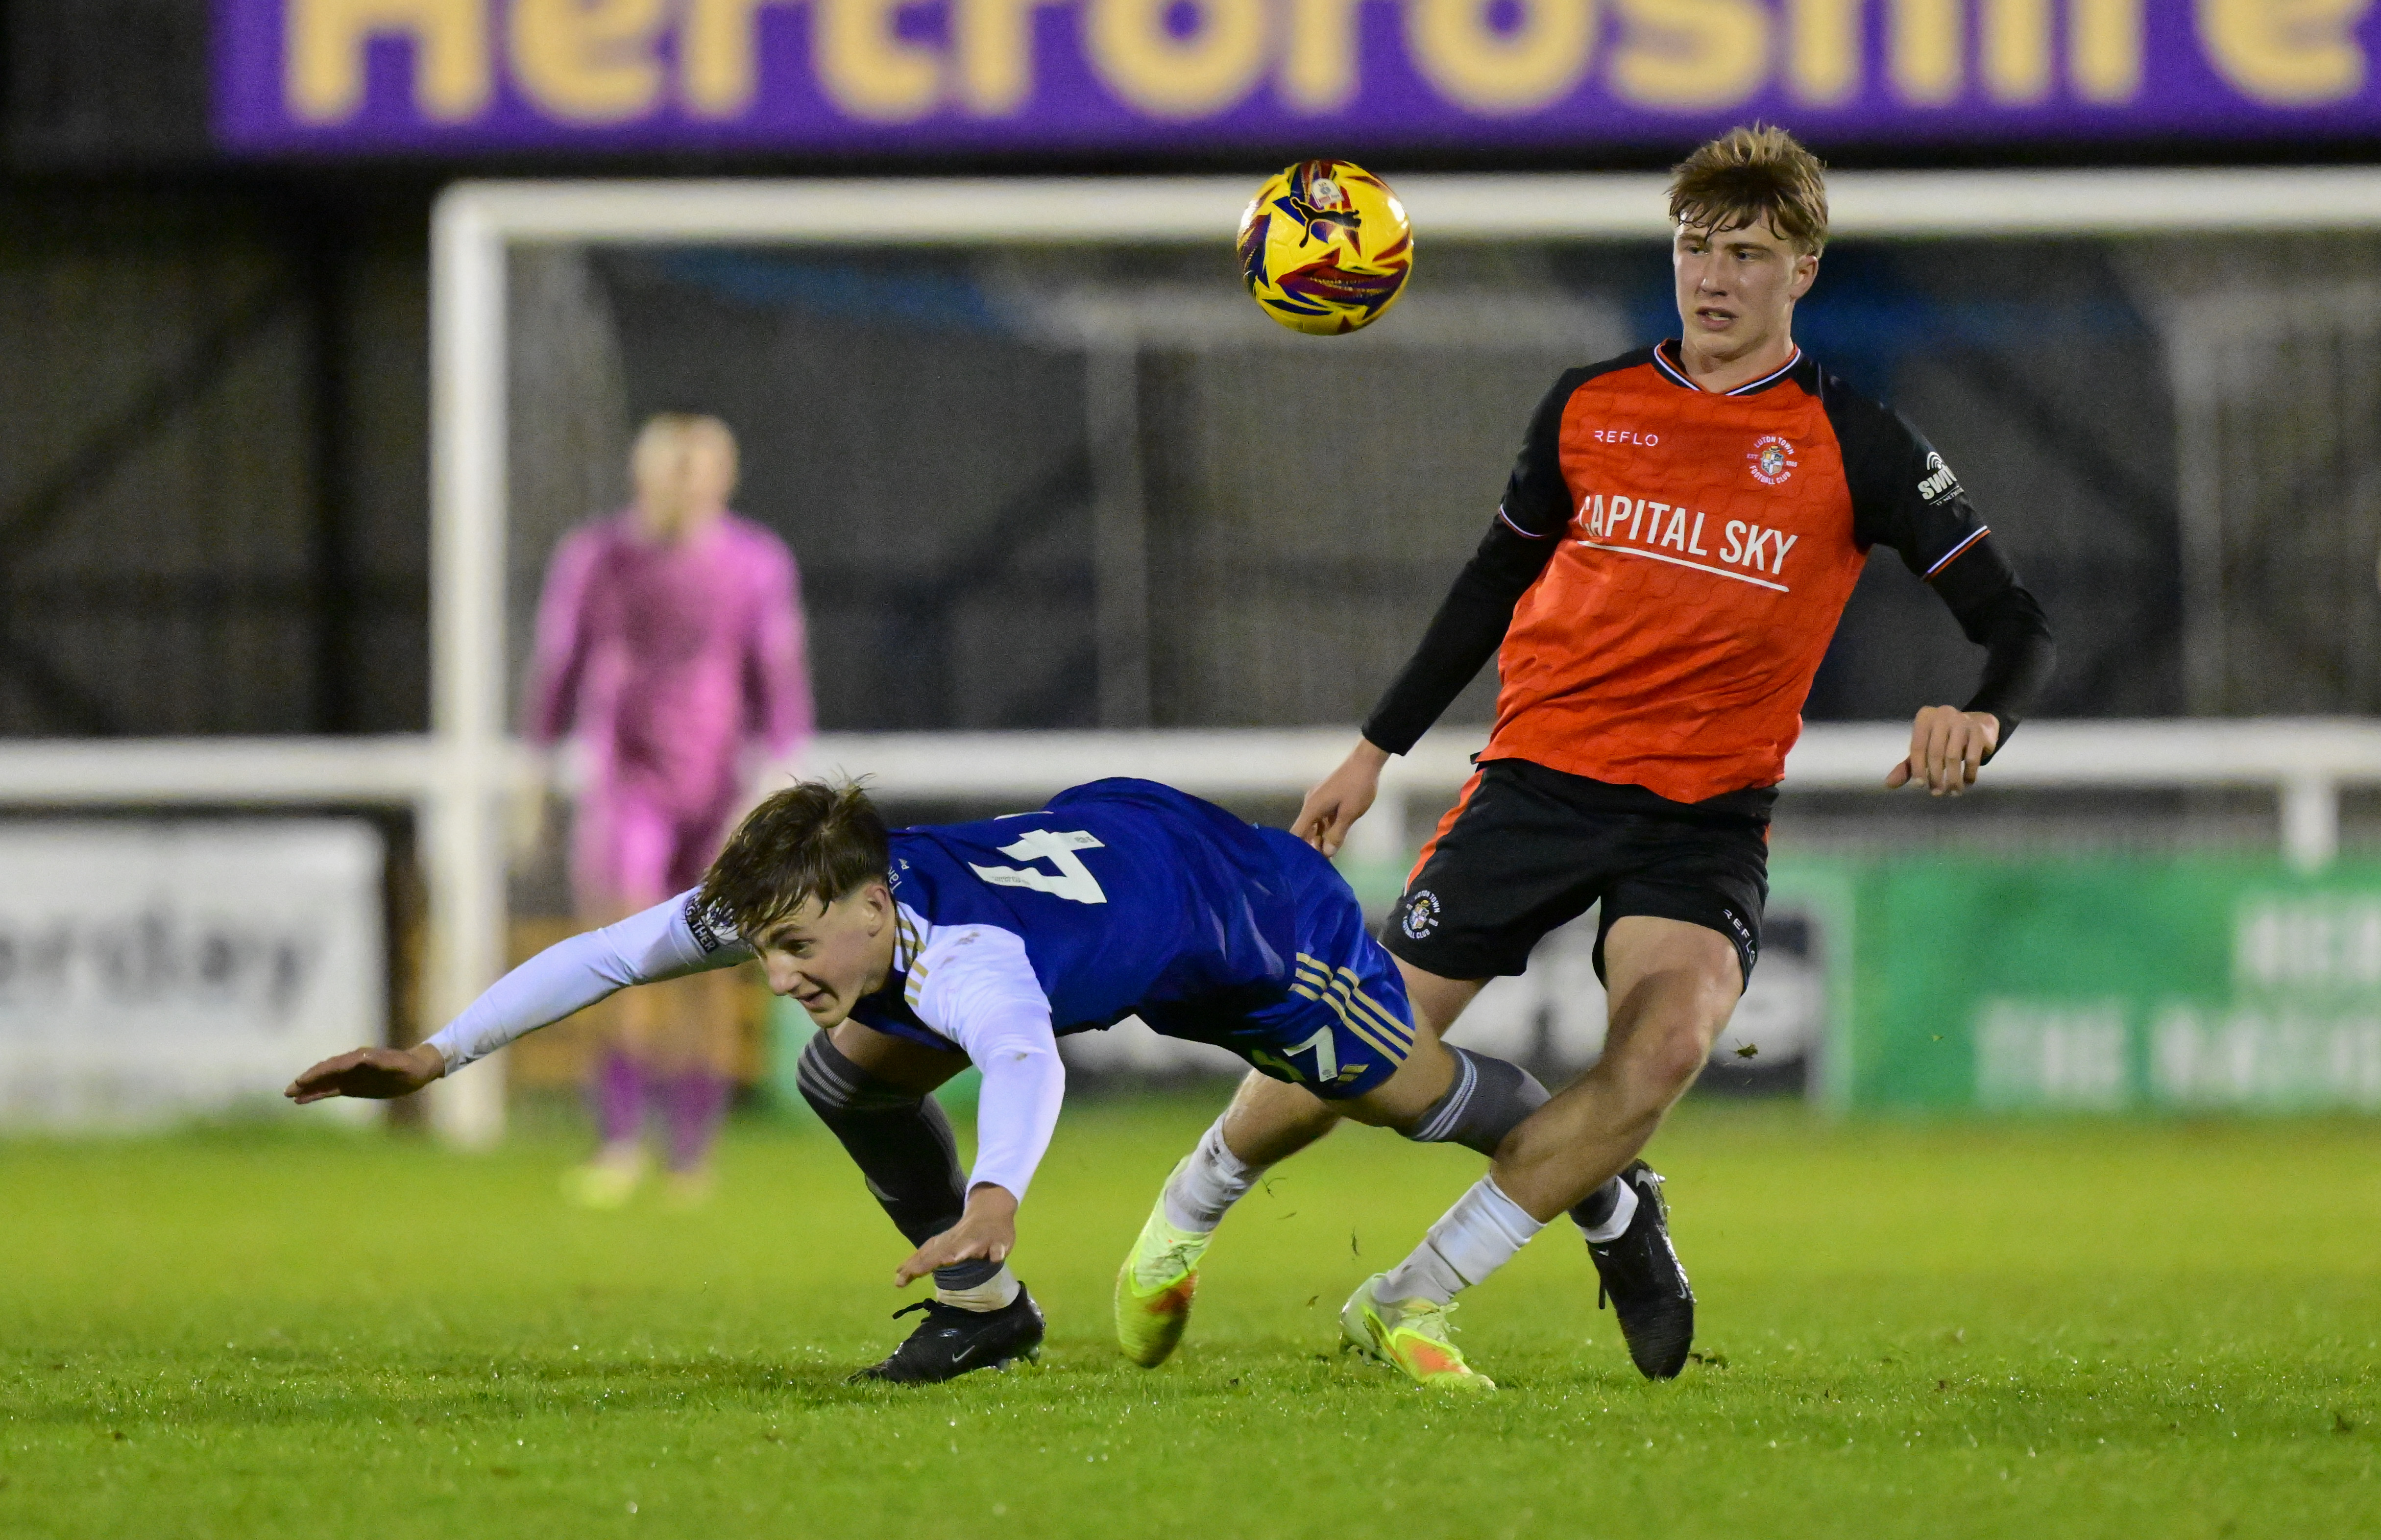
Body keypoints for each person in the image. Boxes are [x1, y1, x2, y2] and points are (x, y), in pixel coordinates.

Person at [1115, 125, 2057, 1388]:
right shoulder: (1590, 405)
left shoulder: (1860, 445)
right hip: (1539, 786)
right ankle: (1188, 1212)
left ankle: (1413, 1298)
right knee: (1354, 1053)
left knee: (1664, 1053)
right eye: (1693, 248)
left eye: (1746, 253)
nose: (1713, 277)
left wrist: (1982, 716)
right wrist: (1374, 748)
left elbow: (2018, 624)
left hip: (1706, 817)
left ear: (1805, 273)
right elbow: (1490, 583)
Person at [286, 777, 1560, 1387]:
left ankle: (1606, 1180)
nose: (777, 976)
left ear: (876, 906)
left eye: (795, 948)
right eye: (765, 948)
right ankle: (985, 1310)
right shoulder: (804, 900)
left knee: (1417, 1100)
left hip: (1239, 910)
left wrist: (998, 1190)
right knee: (842, 1080)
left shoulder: (966, 962)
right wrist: (437, 1053)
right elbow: (617, 951)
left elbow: (1018, 1058)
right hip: (1114, 877)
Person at [525, 413, 811, 1206]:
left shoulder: (755, 562)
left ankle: (691, 1152)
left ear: (726, 475)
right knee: (618, 958)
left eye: (701, 466)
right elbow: (560, 665)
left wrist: (777, 785)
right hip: (627, 783)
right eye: (671, 465)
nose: (686, 481)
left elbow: (779, 687)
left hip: (718, 789)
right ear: (641, 474)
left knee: (708, 971)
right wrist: (534, 771)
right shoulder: (599, 557)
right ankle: (618, 1141)